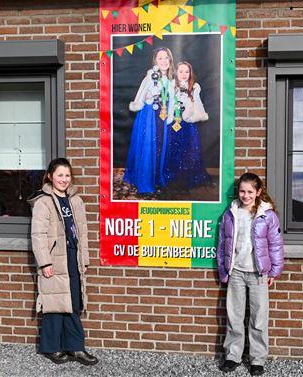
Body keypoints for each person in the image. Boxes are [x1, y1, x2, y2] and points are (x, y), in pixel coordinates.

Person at [28, 158, 98, 366]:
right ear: (50, 176)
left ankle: (75, 347)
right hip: (54, 258)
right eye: (59, 175)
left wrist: (84, 258)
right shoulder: (44, 202)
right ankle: (51, 348)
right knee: (55, 303)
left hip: (72, 257)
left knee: (73, 302)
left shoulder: (76, 201)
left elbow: (82, 233)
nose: (64, 180)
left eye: (67, 175)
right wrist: (45, 263)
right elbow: (38, 235)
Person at [217, 173, 284, 376]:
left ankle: (257, 359)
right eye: (242, 191)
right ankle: (232, 356)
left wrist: (275, 270)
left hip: (258, 273)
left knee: (258, 318)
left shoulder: (267, 215)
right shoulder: (231, 213)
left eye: (250, 191)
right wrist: (224, 269)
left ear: (258, 192)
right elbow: (223, 244)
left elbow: (276, 245)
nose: (245, 195)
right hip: (236, 271)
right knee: (234, 316)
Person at [123, 47, 175, 194]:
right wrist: (151, 93)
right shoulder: (150, 77)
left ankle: (157, 176)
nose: (164, 61)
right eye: (160, 58)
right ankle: (146, 179)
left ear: (170, 60)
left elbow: (173, 101)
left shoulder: (171, 81)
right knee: (148, 146)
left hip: (163, 118)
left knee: (160, 145)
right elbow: (140, 99)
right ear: (155, 61)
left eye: (166, 58)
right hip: (150, 117)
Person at [162, 61, 211, 190]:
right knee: (173, 149)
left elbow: (198, 106)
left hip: (188, 125)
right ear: (176, 73)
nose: (184, 75)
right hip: (174, 123)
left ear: (190, 74)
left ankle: (188, 177)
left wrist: (188, 100)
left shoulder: (194, 87)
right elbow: (167, 105)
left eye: (186, 72)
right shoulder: (171, 86)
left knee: (189, 150)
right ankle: (173, 176)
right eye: (181, 71)